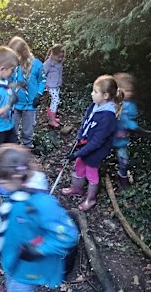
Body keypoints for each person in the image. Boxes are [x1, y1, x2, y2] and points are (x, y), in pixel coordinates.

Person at [0, 144, 80, 291]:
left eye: (2, 183)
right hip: (12, 257)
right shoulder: (17, 192)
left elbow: (69, 234)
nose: (0, 187)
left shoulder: (42, 204)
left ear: (16, 177)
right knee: (11, 281)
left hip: (27, 267)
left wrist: (39, 249)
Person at [62, 75, 123, 212]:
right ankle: (77, 189)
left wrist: (79, 152)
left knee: (91, 172)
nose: (92, 94)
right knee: (79, 165)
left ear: (106, 95)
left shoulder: (108, 117)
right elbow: (86, 124)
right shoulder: (94, 106)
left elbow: (96, 142)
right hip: (86, 145)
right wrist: (79, 138)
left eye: (95, 92)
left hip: (96, 150)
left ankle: (91, 199)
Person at [8, 36, 46, 149]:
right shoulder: (13, 66)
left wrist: (38, 95)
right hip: (15, 103)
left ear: (23, 53)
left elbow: (42, 80)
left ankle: (27, 149)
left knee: (27, 130)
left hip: (30, 104)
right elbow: (8, 82)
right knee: (12, 128)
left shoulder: (36, 65)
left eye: (17, 55)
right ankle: (13, 149)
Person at [113, 72, 139, 190]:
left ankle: (122, 176)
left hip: (121, 140)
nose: (128, 93)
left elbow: (132, 120)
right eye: (125, 90)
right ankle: (94, 173)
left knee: (124, 160)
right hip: (107, 138)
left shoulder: (130, 106)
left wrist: (131, 125)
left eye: (130, 90)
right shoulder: (111, 103)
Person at [43, 44, 65, 128]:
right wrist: (45, 84)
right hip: (51, 85)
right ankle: (51, 120)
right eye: (59, 57)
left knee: (54, 101)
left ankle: (51, 117)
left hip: (57, 85)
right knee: (56, 101)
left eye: (62, 57)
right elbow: (42, 73)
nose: (61, 59)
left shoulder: (59, 61)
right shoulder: (48, 63)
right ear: (53, 55)